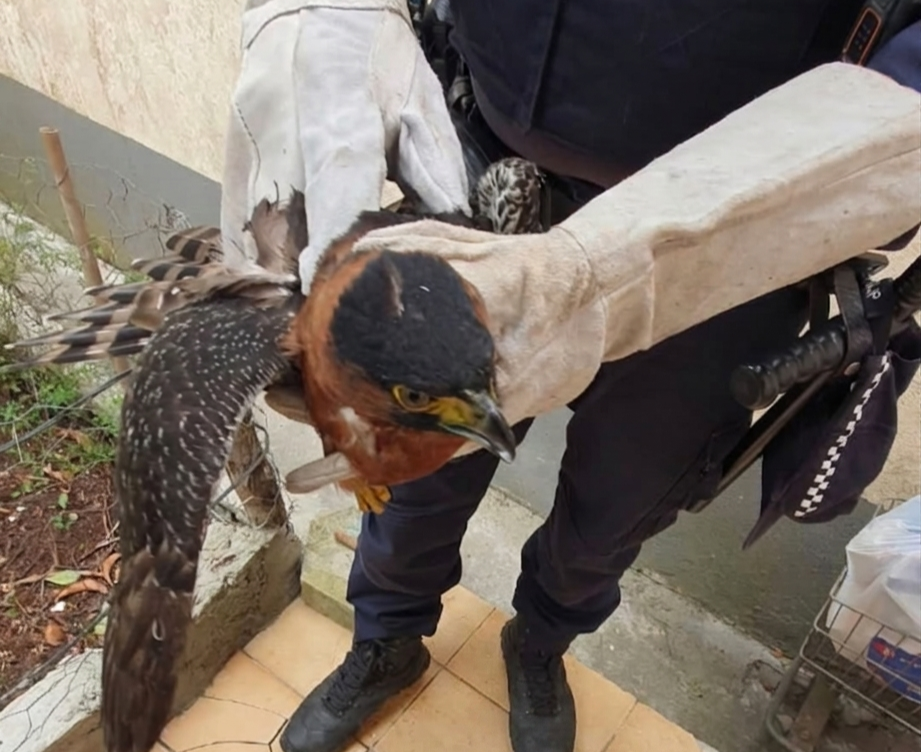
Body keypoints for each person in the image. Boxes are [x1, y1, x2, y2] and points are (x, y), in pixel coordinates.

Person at [219, 3, 921, 752]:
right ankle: (386, 639)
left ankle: (539, 643)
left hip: (728, 244)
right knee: (414, 472)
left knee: (619, 507)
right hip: (481, 162)